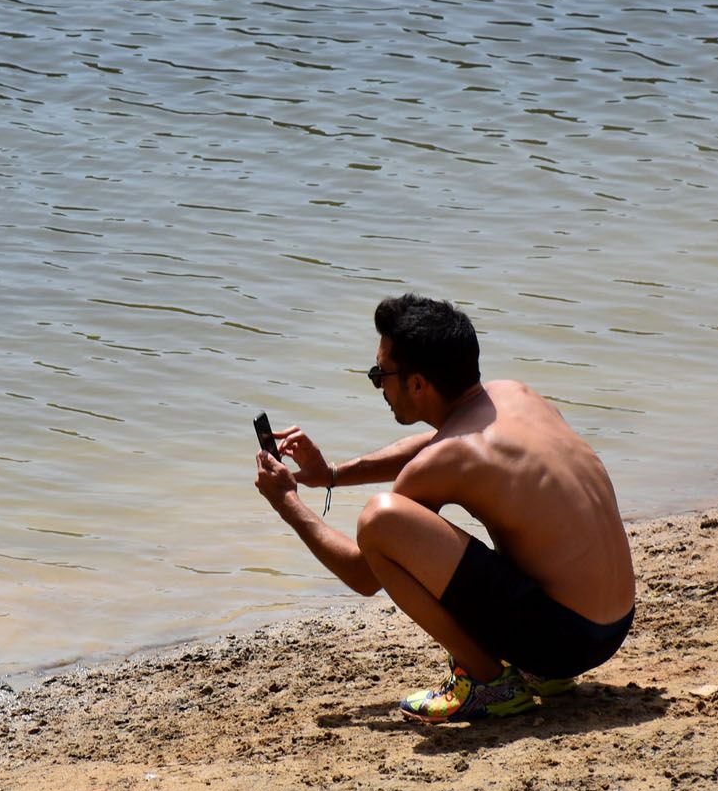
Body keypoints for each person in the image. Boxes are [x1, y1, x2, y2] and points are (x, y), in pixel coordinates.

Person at [253, 294, 635, 723]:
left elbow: (363, 575)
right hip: (614, 624)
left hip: (566, 642)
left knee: (379, 520)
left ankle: (489, 682)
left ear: (418, 384)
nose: (379, 386)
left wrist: (287, 502)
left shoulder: (448, 458)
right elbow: (440, 444)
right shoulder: (513, 396)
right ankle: (539, 675)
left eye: (380, 375)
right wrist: (332, 474)